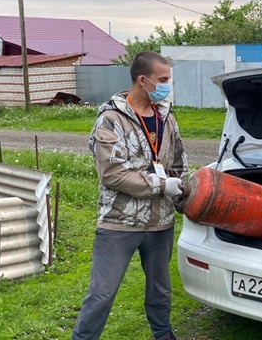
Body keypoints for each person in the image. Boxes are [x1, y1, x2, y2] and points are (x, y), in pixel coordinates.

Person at [72, 51, 188, 340]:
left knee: (160, 290)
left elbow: (177, 163)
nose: (167, 85)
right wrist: (162, 186)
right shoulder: (111, 119)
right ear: (143, 80)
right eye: (163, 80)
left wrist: (182, 192)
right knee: (102, 293)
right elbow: (112, 174)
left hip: (161, 223)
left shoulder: (166, 116)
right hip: (119, 223)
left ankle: (163, 335)